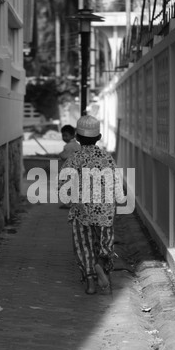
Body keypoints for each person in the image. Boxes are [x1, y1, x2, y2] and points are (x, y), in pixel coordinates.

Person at [58, 115, 125, 296]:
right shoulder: (107, 158)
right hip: (105, 212)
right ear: (100, 137)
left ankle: (90, 282)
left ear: (77, 138)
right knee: (104, 244)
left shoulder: (74, 158)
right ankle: (100, 265)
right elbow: (116, 183)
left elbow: (63, 186)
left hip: (82, 211)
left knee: (83, 246)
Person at [59, 125, 81, 210]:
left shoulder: (68, 146)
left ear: (72, 135)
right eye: (63, 135)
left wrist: (60, 154)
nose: (64, 137)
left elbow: (64, 157)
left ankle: (68, 203)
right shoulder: (77, 145)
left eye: (66, 135)